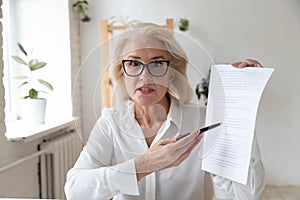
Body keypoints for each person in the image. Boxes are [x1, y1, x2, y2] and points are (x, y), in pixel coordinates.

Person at [64, 23, 265, 200]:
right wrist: (143, 165)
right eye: (134, 63)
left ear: (172, 73)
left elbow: (247, 195)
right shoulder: (110, 122)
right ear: (121, 72)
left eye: (157, 63)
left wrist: (242, 114)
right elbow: (75, 191)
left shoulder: (203, 120)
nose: (145, 76)